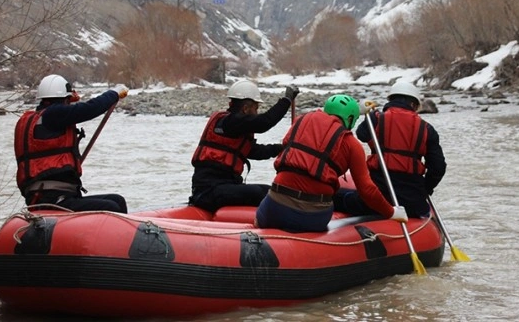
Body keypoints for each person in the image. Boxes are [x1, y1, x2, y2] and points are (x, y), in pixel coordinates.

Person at [254, 94, 408, 233]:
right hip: (312, 216)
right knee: (344, 196)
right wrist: (391, 212)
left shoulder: (300, 121)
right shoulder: (352, 144)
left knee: (258, 220)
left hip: (276, 206)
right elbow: (367, 190)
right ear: (350, 120)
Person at [14, 74, 129, 213]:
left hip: (51, 194)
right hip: (51, 197)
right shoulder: (53, 115)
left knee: (117, 200)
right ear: (64, 98)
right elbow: (90, 108)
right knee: (112, 207)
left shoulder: (38, 118)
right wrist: (114, 93)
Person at [333, 82, 446, 218]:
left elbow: (362, 135)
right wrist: (425, 189)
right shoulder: (428, 129)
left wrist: (369, 115)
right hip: (413, 203)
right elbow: (438, 168)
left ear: (391, 100)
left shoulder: (376, 118)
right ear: (414, 105)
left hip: (377, 201)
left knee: (336, 195)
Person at [189, 80, 299, 212]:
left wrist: (281, 148)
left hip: (223, 187)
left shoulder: (234, 129)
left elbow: (255, 151)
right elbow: (264, 122)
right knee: (262, 193)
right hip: (209, 191)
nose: (256, 113)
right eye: (255, 108)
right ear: (245, 108)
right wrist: (286, 100)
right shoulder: (231, 122)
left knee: (271, 190)